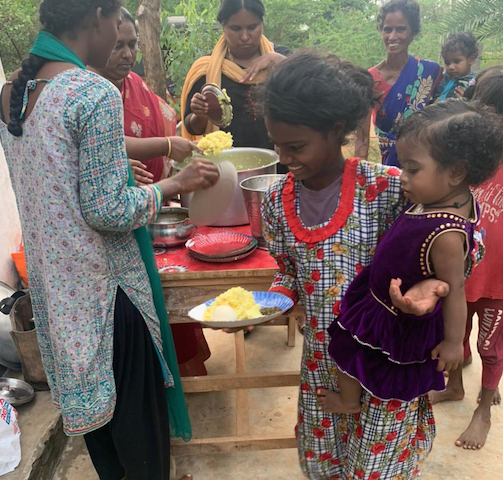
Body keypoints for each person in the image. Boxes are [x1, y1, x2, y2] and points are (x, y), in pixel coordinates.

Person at [0, 1, 220, 479]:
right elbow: (110, 211)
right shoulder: (91, 91)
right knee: (140, 435)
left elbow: (60, 176)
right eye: (118, 23)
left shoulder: (14, 89)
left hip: (57, 296)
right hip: (106, 295)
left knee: (104, 436)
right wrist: (174, 185)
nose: (121, 39)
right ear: (98, 16)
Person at [257, 50, 451, 480]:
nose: (284, 157)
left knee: (377, 467)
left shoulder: (388, 189)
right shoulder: (275, 200)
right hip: (324, 365)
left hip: (384, 360)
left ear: (336, 129)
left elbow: (455, 240)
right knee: (326, 461)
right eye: (276, 144)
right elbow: (287, 268)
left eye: (296, 146)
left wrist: (431, 287)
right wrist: (274, 300)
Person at [323, 99, 503, 416]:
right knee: (353, 348)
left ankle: (350, 402)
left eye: (413, 169)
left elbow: (454, 291)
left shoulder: (446, 235)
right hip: (379, 298)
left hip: (395, 315)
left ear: (456, 172)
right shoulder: (444, 196)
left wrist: (453, 343)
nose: (403, 177)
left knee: (351, 350)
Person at [94, 7, 211, 377]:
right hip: (115, 222)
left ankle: (182, 371)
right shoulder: (88, 93)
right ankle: (151, 382)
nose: (127, 54)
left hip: (154, 208)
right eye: (118, 45)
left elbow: (168, 124)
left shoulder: (136, 86)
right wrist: (161, 148)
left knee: (169, 295)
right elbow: (104, 145)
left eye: (132, 45)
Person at [431, 67, 503, 451]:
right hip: (461, 270)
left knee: (491, 347)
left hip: (499, 280)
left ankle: (484, 410)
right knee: (455, 335)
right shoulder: (467, 160)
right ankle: (455, 386)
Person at [181, 0, 290, 172]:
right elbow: (193, 128)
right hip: (228, 169)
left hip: (281, 165)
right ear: (223, 27)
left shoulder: (283, 59)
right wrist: (200, 115)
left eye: (252, 27)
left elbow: (311, 93)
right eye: (236, 28)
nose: (245, 36)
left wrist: (283, 63)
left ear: (262, 23)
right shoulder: (206, 70)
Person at [355, 0, 442, 166]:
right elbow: (362, 139)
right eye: (387, 29)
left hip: (425, 163)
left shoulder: (429, 73)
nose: (392, 37)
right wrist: (358, 175)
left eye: (401, 29)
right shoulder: (369, 79)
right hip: (388, 168)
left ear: (413, 32)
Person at [433, 32, 478, 102]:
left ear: (471, 60)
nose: (451, 67)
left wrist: (468, 100)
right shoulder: (442, 79)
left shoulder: (475, 84)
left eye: (456, 61)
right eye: (447, 63)